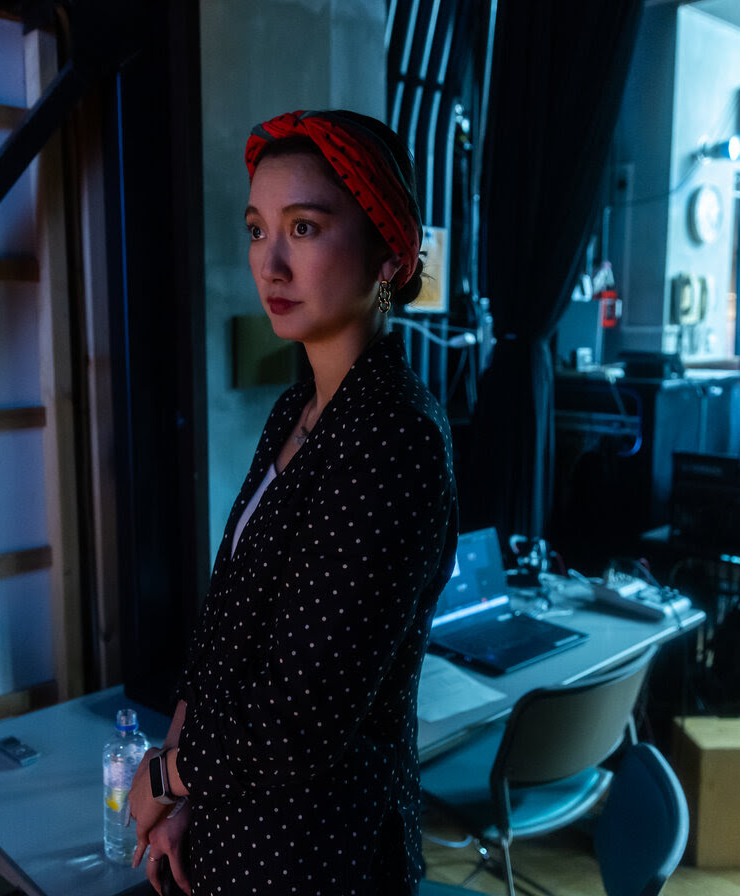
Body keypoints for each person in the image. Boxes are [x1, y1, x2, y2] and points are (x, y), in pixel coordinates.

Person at [127, 109, 459, 895]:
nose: (267, 264)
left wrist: (170, 775)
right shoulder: (299, 408)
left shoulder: (392, 437)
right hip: (236, 833)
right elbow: (229, 627)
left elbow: (299, 718)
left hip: (319, 857)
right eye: (256, 229)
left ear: (389, 252)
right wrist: (185, 790)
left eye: (304, 229)